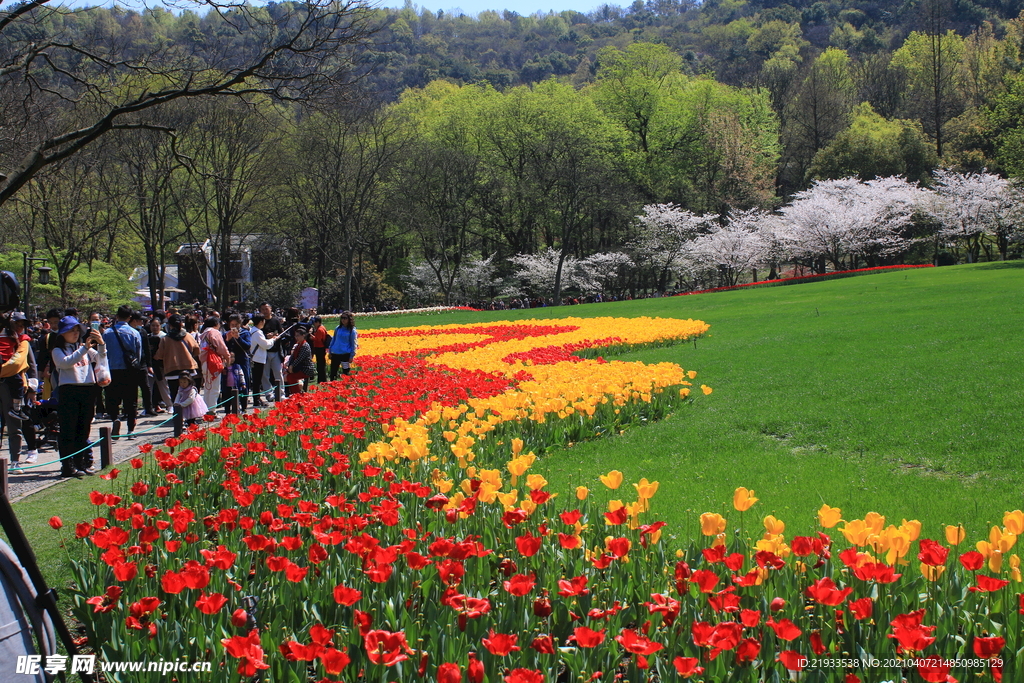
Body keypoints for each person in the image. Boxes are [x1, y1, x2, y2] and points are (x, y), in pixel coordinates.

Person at [52, 317, 105, 477]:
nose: (75, 334)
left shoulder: (84, 347)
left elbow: (101, 357)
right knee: (69, 429)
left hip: (87, 389)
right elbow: (64, 363)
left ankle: (81, 463)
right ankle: (67, 466)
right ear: (62, 333)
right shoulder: (58, 350)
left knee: (84, 429)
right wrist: (84, 349)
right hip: (69, 390)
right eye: (71, 331)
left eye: (77, 330)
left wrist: (101, 343)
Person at [1, 312, 38, 470]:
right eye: (16, 323)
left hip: (13, 385)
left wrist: (32, 388)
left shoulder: (23, 341)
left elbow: (32, 365)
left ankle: (15, 460)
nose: (19, 327)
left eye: (22, 324)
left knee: (14, 424)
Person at [102, 305, 143, 437]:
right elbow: (138, 353)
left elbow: (102, 353)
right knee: (130, 400)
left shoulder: (107, 333)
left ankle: (115, 419)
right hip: (129, 370)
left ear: (117, 316)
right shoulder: (134, 333)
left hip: (112, 370)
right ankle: (131, 429)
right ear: (130, 317)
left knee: (113, 398)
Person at [153, 314, 200, 398]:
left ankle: (177, 411)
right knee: (189, 395)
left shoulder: (165, 339)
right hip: (188, 369)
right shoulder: (188, 336)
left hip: (172, 370)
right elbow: (197, 350)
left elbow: (159, 355)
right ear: (181, 323)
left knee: (175, 395)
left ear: (169, 325)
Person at [198, 316, 228, 414]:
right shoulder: (214, 332)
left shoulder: (203, 334)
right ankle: (211, 411)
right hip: (213, 362)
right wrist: (227, 357)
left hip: (204, 362)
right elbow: (221, 347)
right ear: (216, 324)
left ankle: (205, 409)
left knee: (207, 387)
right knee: (215, 387)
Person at [222, 313, 251, 412]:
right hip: (229, 362)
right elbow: (222, 347)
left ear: (239, 324)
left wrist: (238, 338)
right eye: (231, 325)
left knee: (243, 383)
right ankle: (227, 408)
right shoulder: (226, 334)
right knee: (227, 384)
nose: (233, 327)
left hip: (242, 361)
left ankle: (243, 406)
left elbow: (247, 346)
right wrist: (227, 340)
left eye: (235, 325)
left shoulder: (245, 333)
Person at [248, 313, 278, 407]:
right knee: (257, 380)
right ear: (261, 321)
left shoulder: (253, 330)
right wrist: (273, 339)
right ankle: (256, 400)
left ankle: (257, 398)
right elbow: (266, 345)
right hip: (258, 359)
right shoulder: (257, 332)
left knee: (257, 380)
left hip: (255, 358)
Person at [258, 303, 285, 401]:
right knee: (265, 374)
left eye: (266, 309)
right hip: (264, 351)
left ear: (270, 309)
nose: (265, 311)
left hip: (275, 351)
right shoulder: (260, 322)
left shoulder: (275, 321)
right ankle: (268, 394)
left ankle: (281, 393)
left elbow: (282, 333)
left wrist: (275, 335)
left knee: (278, 372)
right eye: (262, 309)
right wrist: (266, 336)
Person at [146, 317, 172, 412]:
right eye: (153, 325)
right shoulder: (148, 337)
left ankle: (170, 405)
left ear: (160, 326)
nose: (155, 327)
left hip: (161, 365)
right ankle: (149, 406)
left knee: (164, 386)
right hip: (150, 365)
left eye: (157, 325)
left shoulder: (164, 337)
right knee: (149, 386)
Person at [284, 325, 315, 395]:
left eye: (298, 336)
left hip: (306, 368)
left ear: (303, 335)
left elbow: (300, 358)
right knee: (287, 375)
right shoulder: (298, 344)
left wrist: (292, 366)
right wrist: (288, 365)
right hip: (298, 367)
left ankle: (297, 394)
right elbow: (292, 356)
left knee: (291, 377)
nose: (296, 337)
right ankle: (293, 392)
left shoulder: (305, 345)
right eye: (295, 336)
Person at [328, 312, 358, 380]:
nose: (343, 320)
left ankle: (345, 387)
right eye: (342, 318)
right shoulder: (338, 328)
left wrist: (351, 356)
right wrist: (330, 351)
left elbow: (353, 344)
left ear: (349, 319)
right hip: (335, 353)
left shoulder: (352, 330)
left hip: (345, 354)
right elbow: (333, 340)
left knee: (346, 372)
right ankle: (332, 387)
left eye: (345, 318)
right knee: (333, 372)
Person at [309, 316, 329, 383]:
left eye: (314, 322)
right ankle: (322, 379)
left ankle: (321, 379)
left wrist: (311, 336)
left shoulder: (320, 329)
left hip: (319, 348)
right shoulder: (321, 327)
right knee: (321, 364)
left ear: (318, 322)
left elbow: (318, 339)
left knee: (320, 364)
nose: (313, 323)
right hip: (320, 347)